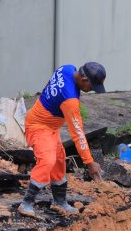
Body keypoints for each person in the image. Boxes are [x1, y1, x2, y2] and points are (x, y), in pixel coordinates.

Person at [19, 62, 106, 217]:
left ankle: (60, 202)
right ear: (84, 80)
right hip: (37, 126)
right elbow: (78, 134)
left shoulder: (67, 68)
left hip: (50, 126)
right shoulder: (70, 101)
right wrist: (89, 162)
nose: (91, 91)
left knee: (59, 161)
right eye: (92, 87)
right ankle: (26, 203)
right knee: (47, 160)